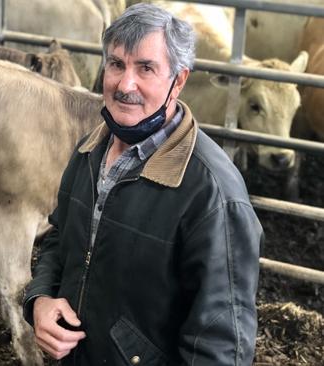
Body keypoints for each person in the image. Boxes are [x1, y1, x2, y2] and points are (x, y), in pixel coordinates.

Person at [23, 3, 262, 365]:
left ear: (178, 81)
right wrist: (41, 299)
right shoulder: (91, 149)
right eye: (116, 64)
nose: (125, 84)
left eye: (146, 68)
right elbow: (60, 238)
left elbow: (221, 345)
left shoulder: (213, 194)